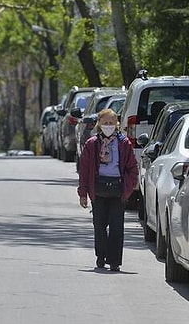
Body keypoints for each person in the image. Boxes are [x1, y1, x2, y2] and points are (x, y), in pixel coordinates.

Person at [77, 108, 138, 272]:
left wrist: (129, 187)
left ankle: (114, 261)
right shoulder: (91, 144)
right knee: (99, 226)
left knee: (117, 227)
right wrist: (83, 194)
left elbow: (133, 168)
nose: (108, 126)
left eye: (111, 123)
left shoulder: (124, 143)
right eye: (105, 123)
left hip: (118, 189)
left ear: (117, 125)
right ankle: (101, 256)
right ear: (99, 124)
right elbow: (84, 170)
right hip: (98, 189)